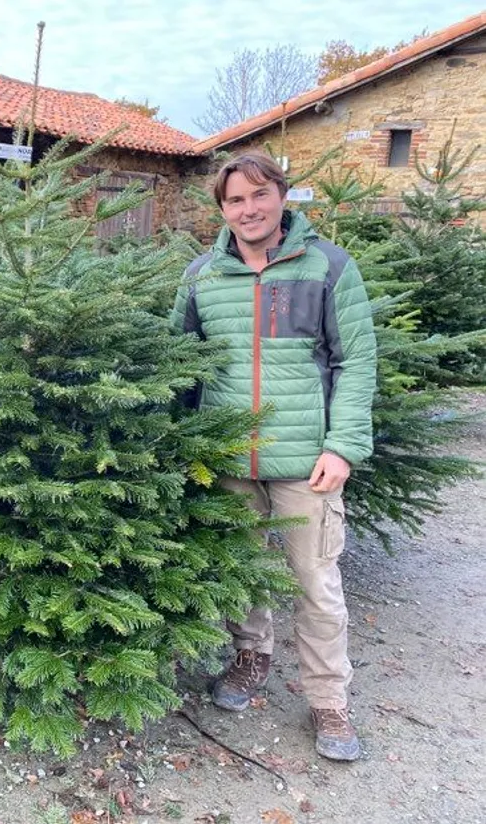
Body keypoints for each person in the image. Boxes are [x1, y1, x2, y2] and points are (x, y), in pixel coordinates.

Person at [172, 152, 377, 761]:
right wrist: (177, 443)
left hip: (306, 462)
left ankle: (328, 700)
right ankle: (248, 659)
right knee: (243, 572)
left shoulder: (328, 267)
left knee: (316, 581)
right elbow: (178, 364)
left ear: (282, 196)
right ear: (222, 207)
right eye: (235, 199)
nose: (249, 209)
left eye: (260, 195)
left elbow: (356, 361)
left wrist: (342, 447)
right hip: (228, 457)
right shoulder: (202, 275)